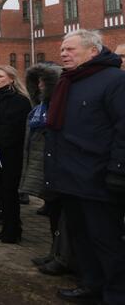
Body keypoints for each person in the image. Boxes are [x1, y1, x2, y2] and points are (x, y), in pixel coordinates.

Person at [43, 30, 125, 304]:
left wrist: (117, 169)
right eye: (62, 49)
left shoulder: (115, 81)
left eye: (70, 49)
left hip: (98, 177)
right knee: (80, 237)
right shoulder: (68, 81)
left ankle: (116, 293)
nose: (63, 53)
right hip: (68, 175)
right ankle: (91, 284)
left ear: (93, 51)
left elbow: (122, 128)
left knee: (106, 240)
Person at [19, 63, 70, 276]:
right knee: (53, 214)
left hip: (59, 166)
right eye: (37, 81)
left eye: (43, 82)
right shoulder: (39, 106)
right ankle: (54, 252)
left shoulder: (60, 105)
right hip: (43, 165)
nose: (39, 85)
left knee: (62, 215)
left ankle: (63, 257)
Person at [0, 66, 31, 244]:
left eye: (1, 76)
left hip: (11, 152)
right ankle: (7, 223)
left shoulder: (19, 101)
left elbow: (15, 129)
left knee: (9, 192)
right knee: (0, 190)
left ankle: (13, 229)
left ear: (12, 79)